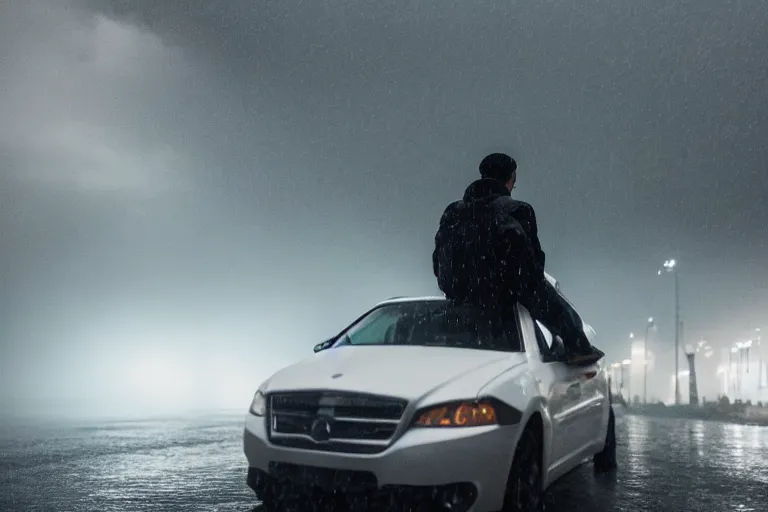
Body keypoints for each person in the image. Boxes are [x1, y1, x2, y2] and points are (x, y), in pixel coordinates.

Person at [432, 153, 603, 365]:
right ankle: (579, 350)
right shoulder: (517, 210)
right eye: (514, 180)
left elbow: (437, 258)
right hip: (503, 291)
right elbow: (532, 266)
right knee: (559, 310)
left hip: (457, 290)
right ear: (510, 179)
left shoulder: (452, 211)